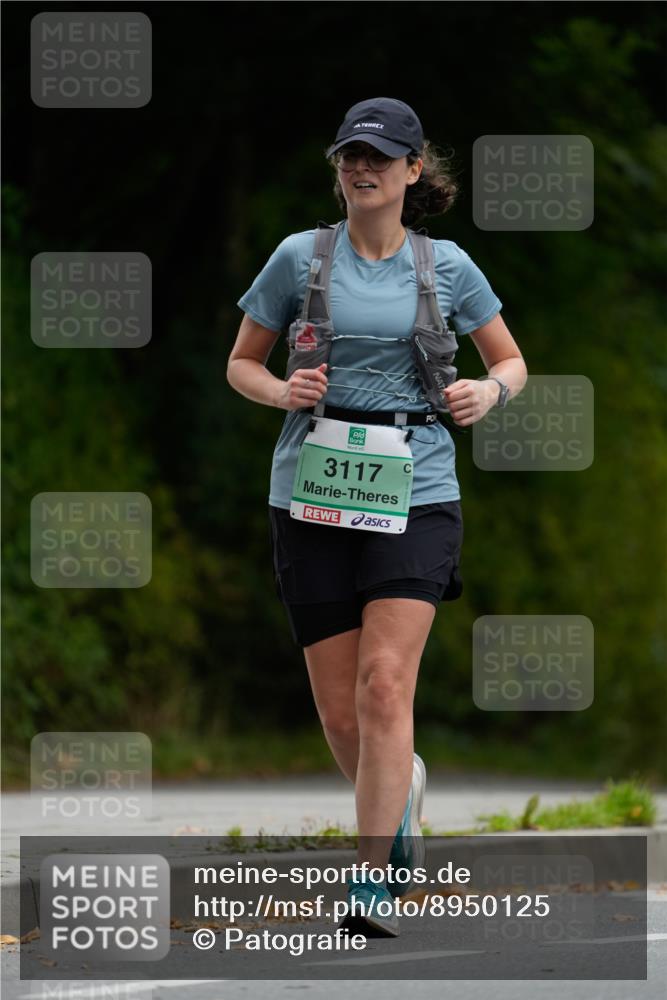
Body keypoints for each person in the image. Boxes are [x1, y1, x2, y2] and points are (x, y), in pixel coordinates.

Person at [227, 97, 527, 937]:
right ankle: (400, 800)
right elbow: (240, 364)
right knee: (339, 713)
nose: (361, 169)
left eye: (378, 158)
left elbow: (509, 358)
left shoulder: (448, 267)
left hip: (416, 486)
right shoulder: (298, 258)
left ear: (409, 173)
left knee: (385, 683)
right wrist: (283, 389)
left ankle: (373, 877)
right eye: (349, 156)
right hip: (312, 487)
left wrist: (488, 390)